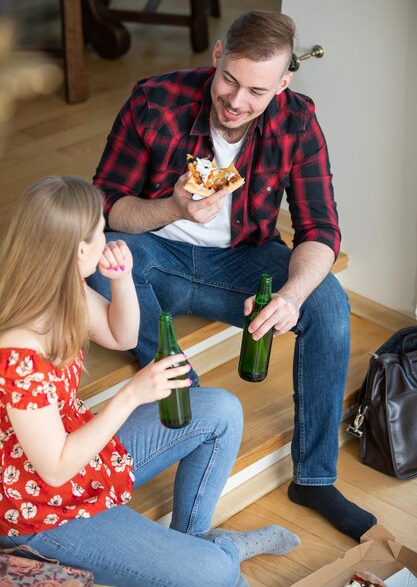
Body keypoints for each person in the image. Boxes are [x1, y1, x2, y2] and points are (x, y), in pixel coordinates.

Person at [89, 9, 377, 542]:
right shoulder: (155, 100)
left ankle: (313, 478)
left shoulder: (297, 120)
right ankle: (195, 410)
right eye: (229, 80)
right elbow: (106, 208)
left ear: (284, 83)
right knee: (101, 266)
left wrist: (291, 295)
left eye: (258, 91)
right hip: (154, 254)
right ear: (218, 55)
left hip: (243, 260)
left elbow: (320, 229)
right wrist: (172, 208)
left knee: (329, 304)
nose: (237, 102)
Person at [0, 176, 301, 587]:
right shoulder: (18, 354)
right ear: (78, 250)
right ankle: (219, 553)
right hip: (39, 509)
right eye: (99, 231)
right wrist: (130, 395)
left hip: (83, 454)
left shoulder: (62, 286)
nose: (106, 236)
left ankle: (193, 541)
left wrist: (122, 278)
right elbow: (54, 469)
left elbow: (121, 335)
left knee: (221, 411)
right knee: (216, 574)